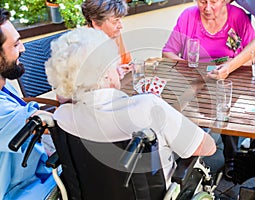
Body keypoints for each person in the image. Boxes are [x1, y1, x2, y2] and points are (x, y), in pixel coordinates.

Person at [45, 27, 217, 189]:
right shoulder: (148, 106)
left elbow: (64, 100)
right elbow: (208, 148)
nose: (118, 70)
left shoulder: (63, 117)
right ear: (105, 73)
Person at [162, 0, 255, 180]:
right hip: (196, 81)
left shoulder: (238, 17)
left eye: (213, 1)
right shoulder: (188, 16)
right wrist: (189, 67)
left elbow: (253, 54)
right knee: (192, 109)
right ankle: (192, 155)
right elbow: (167, 52)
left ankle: (232, 158)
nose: (207, 7)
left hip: (230, 80)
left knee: (227, 109)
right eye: (202, 1)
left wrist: (229, 67)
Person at [0, 8, 56, 199]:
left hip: (38, 172)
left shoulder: (4, 87)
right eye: (15, 45)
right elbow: (45, 123)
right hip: (24, 191)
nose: (23, 49)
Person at [81, 0, 132, 78]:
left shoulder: (115, 36)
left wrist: (124, 69)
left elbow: (128, 64)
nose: (121, 26)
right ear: (96, 23)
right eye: (115, 21)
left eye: (120, 20)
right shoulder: (82, 49)